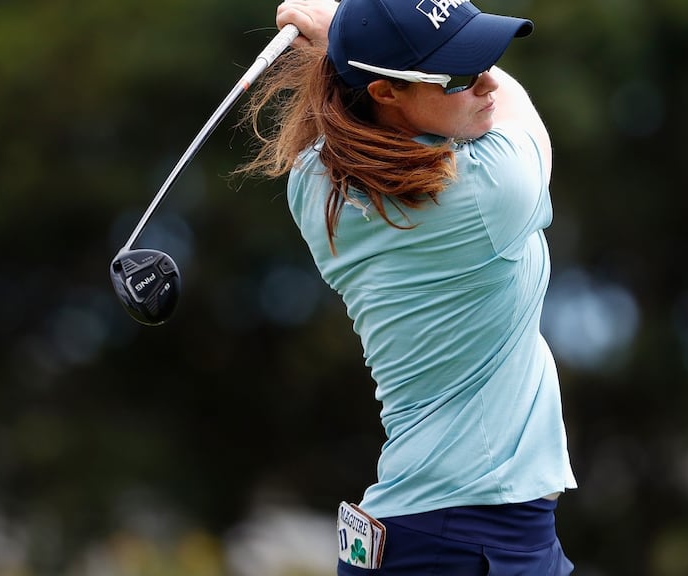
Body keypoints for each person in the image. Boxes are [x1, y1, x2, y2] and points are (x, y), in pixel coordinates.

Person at [238, 0, 577, 573]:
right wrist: (338, 31)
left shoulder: (314, 184)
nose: (488, 81)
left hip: (444, 533)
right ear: (386, 92)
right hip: (473, 539)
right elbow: (520, 116)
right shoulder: (489, 193)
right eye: (463, 74)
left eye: (486, 57)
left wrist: (353, 41)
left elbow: (360, 100)